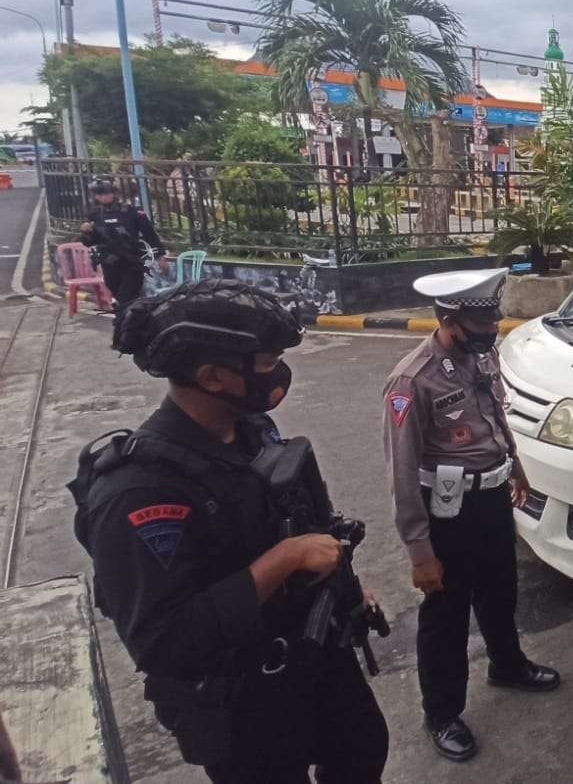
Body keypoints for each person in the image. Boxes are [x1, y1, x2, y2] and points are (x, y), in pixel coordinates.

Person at [72, 279, 388, 783]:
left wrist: (342, 587)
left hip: (313, 658)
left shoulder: (252, 430)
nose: (278, 373)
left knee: (362, 749)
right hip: (240, 701)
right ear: (214, 376)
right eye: (264, 364)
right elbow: (164, 641)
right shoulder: (140, 491)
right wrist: (283, 560)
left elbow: (290, 519)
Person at [383, 267, 560, 762]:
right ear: (449, 320)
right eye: (480, 324)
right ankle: (441, 713)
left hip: (492, 497)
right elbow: (400, 475)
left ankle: (507, 664)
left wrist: (517, 470)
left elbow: (494, 417)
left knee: (501, 590)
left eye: (492, 321)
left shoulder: (481, 356)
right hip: (448, 511)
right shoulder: (410, 381)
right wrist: (420, 553)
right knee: (446, 615)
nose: (491, 331)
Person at [80, 177, 166, 313]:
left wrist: (160, 255)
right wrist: (87, 233)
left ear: (113, 193)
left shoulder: (130, 212)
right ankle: (130, 322)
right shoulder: (94, 215)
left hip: (132, 262)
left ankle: (127, 325)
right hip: (110, 263)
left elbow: (150, 234)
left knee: (127, 298)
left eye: (107, 193)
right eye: (100, 194)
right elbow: (90, 242)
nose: (105, 196)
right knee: (118, 295)